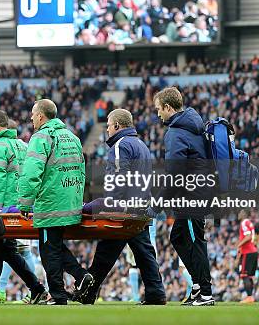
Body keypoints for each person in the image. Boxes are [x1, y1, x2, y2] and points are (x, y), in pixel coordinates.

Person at [76, 109, 166, 305]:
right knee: (143, 254)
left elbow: (118, 179)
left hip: (123, 212)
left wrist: (110, 206)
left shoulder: (120, 146)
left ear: (117, 126)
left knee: (106, 254)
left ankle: (88, 293)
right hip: (141, 208)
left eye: (108, 125)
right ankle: (156, 293)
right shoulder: (142, 145)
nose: (107, 129)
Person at [17, 99, 94, 305]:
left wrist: (25, 202)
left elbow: (32, 173)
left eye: (33, 114)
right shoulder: (72, 137)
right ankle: (81, 275)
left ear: (41, 116)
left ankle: (58, 296)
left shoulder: (41, 137)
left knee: (48, 251)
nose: (31, 118)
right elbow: (81, 171)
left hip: (51, 203)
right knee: (55, 246)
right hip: (70, 200)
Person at [0, 110, 46, 304]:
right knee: (1, 250)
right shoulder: (21, 145)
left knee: (1, 250)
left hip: (1, 210)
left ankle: (35, 288)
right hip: (15, 207)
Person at [152, 87, 215, 306]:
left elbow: (175, 174)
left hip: (191, 195)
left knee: (195, 241)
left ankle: (205, 293)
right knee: (178, 237)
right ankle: (198, 286)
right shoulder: (194, 126)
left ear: (168, 107)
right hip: (201, 190)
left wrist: (157, 203)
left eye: (159, 109)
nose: (158, 114)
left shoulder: (176, 133)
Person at [236, 210, 258, 304]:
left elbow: (248, 236)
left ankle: (249, 297)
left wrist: (239, 245)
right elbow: (254, 237)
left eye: (240, 212)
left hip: (247, 252)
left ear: (244, 214)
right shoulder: (249, 223)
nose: (238, 214)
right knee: (249, 276)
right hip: (253, 251)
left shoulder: (244, 222)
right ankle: (251, 297)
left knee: (244, 275)